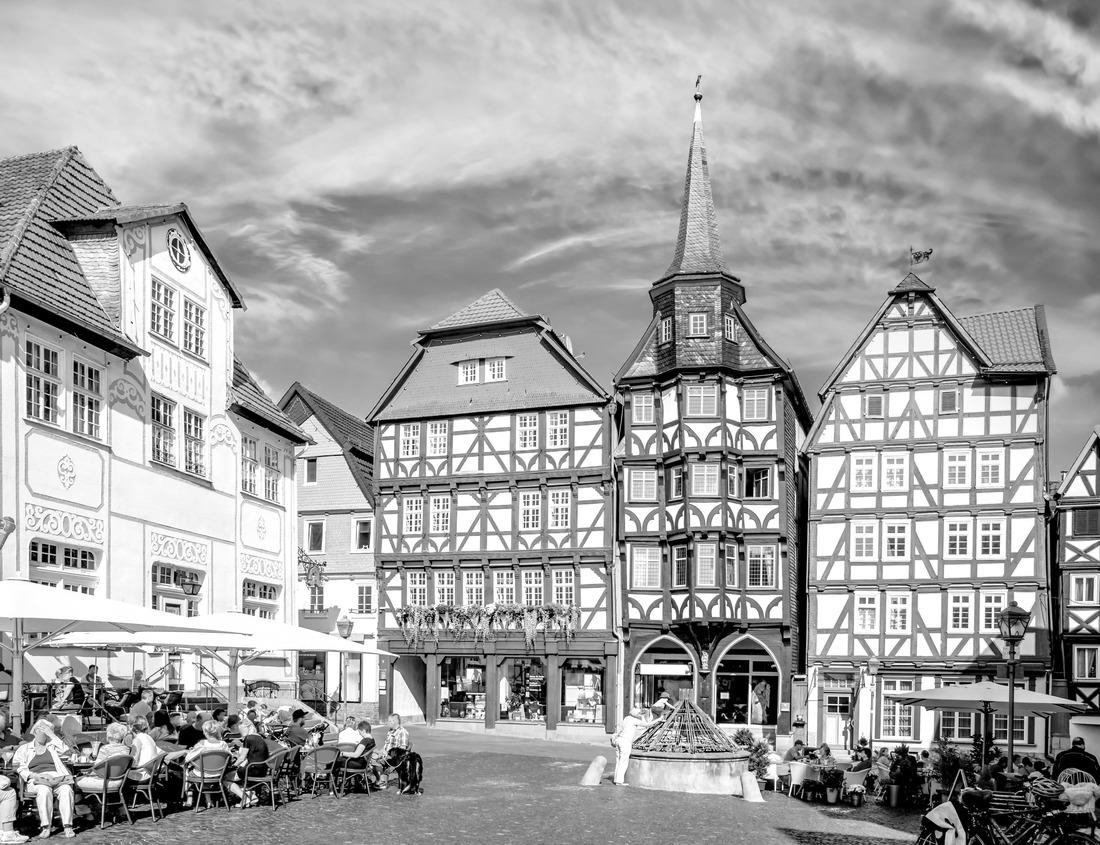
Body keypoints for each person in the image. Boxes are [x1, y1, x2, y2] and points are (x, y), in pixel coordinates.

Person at [13, 719, 76, 839]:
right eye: (44, 732)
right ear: (36, 732)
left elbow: (67, 752)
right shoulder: (25, 748)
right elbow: (19, 767)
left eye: (48, 733)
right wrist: (35, 775)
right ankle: (46, 826)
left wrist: (52, 735)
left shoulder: (52, 746)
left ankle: (68, 826)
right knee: (44, 791)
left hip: (56, 777)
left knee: (66, 789)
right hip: (36, 778)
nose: (46, 736)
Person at [185, 721, 244, 805]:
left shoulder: (202, 744)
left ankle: (190, 800)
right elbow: (229, 759)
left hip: (202, 774)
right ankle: (208, 800)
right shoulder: (223, 744)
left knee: (187, 772)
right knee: (204, 770)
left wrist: (193, 750)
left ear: (205, 732)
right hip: (219, 774)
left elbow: (188, 758)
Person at [232, 719, 269, 807]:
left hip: (253, 769)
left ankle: (245, 798)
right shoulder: (259, 737)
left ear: (249, 727)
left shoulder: (249, 738)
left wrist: (233, 766)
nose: (240, 732)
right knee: (239, 772)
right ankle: (252, 797)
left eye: (242, 729)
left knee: (226, 777)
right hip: (262, 769)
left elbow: (242, 758)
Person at [336, 721, 376, 792]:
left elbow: (356, 754)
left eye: (360, 732)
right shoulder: (372, 740)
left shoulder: (365, 741)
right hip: (363, 764)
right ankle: (342, 784)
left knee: (334, 762)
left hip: (358, 764)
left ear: (363, 731)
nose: (360, 734)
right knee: (337, 761)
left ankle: (332, 787)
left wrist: (343, 753)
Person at [611, 707, 645, 786]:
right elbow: (647, 724)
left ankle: (616, 779)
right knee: (623, 762)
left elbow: (620, 729)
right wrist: (658, 719)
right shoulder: (635, 720)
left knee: (618, 761)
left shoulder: (626, 718)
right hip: (625, 742)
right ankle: (619, 781)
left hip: (619, 740)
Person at [378, 714, 411, 789]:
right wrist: (380, 751)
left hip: (394, 757)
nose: (388, 723)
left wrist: (388, 755)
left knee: (377, 762)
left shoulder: (403, 732)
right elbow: (386, 744)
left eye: (389, 721)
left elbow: (402, 750)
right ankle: (381, 781)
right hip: (386, 754)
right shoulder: (390, 731)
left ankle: (382, 782)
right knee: (372, 758)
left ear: (394, 721)